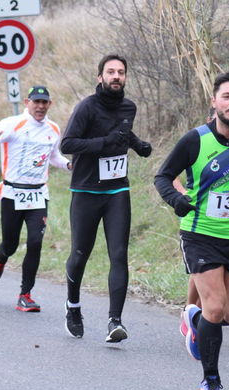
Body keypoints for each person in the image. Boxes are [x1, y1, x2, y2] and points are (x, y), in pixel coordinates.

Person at [154, 72, 229, 390]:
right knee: (216, 308)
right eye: (227, 97)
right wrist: (177, 200)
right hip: (200, 235)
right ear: (215, 101)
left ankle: (193, 318)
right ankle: (211, 382)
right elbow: (163, 176)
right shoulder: (195, 140)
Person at [61, 54, 152, 342]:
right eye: (110, 72)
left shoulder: (129, 107)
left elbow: (122, 131)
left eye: (121, 72)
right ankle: (73, 307)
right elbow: (67, 144)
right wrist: (103, 144)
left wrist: (137, 145)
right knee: (80, 254)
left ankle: (115, 321)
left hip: (116, 191)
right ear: (100, 76)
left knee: (119, 254)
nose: (116, 76)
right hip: (86, 190)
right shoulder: (87, 107)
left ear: (125, 78)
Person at [0, 85, 71, 312]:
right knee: (10, 243)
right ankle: (1, 257)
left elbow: (54, 156)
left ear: (50, 104)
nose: (40, 107)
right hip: (12, 192)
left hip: (38, 194)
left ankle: (25, 294)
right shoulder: (11, 124)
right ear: (27, 102)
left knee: (36, 243)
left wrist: (69, 165)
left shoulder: (53, 128)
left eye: (44, 103)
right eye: (36, 102)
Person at [176, 106, 215, 337]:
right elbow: (169, 175)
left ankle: (199, 313)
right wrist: (184, 195)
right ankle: (190, 312)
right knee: (197, 268)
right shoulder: (196, 140)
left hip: (222, 219)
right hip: (195, 213)